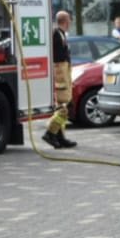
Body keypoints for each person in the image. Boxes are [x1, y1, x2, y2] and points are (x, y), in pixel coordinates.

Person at [42, 10, 78, 151]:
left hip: (65, 73)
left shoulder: (61, 34)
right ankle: (50, 132)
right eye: (69, 20)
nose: (70, 23)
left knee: (64, 107)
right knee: (64, 107)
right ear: (66, 21)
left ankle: (60, 137)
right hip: (60, 75)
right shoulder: (56, 35)